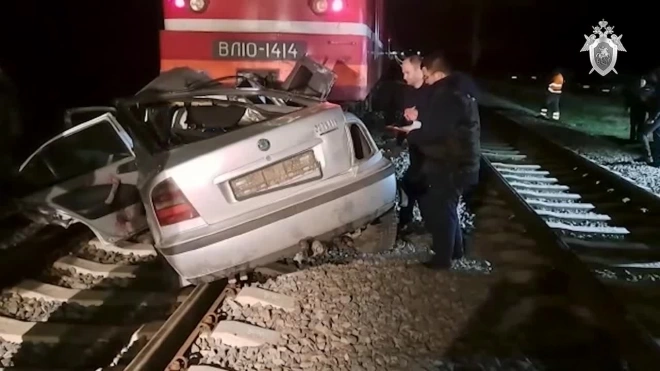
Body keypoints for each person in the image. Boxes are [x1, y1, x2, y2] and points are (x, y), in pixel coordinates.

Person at [391, 51, 481, 269]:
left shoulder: (449, 95)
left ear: (439, 75)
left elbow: (436, 131)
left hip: (453, 164)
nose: (428, 82)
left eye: (428, 77)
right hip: (458, 161)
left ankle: (442, 259)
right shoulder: (458, 92)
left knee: (441, 208)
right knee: (447, 206)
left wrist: (410, 132)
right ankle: (456, 251)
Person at [395, 55, 429, 233]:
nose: (404, 77)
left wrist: (420, 115)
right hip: (416, 149)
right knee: (414, 184)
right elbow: (406, 118)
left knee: (410, 184)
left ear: (419, 71)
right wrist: (399, 137)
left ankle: (407, 220)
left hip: (430, 151)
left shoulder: (432, 92)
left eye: (407, 72)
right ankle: (419, 220)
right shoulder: (408, 92)